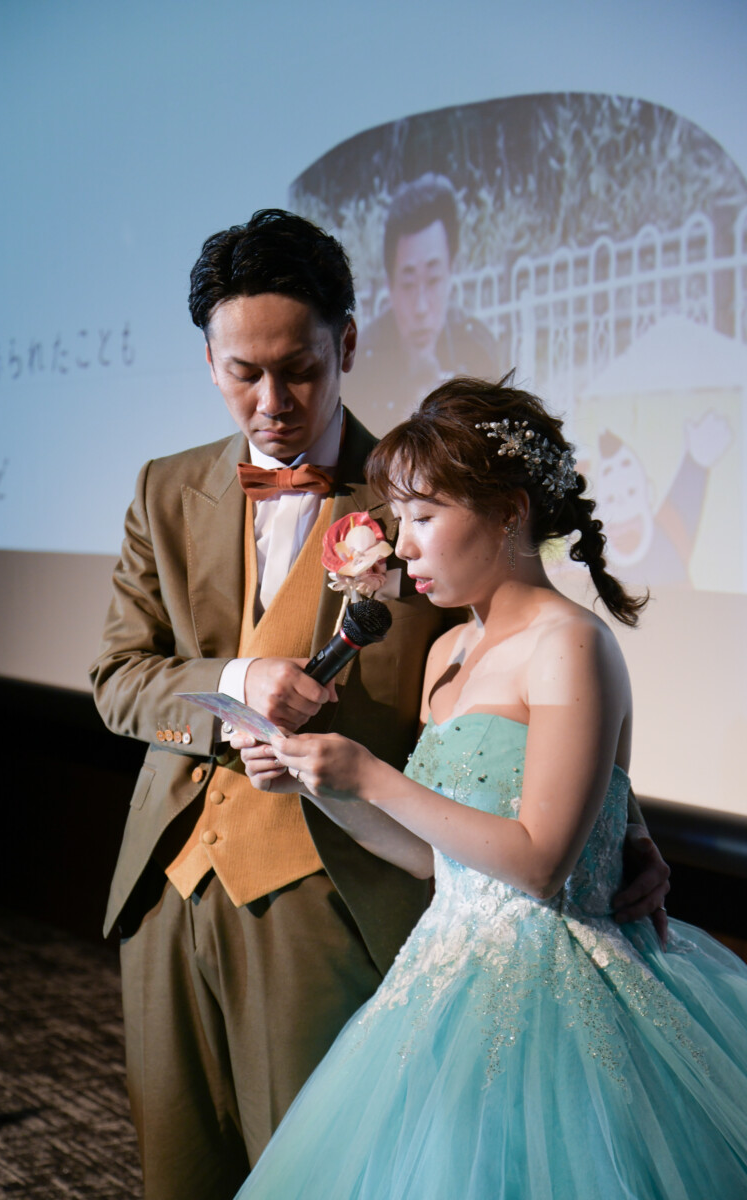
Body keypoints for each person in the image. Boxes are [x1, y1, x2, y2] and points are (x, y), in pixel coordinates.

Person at [90, 212, 668, 1200]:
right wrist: (238, 681)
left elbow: (529, 690)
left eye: (298, 369)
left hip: (337, 899)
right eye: (242, 373)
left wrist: (625, 831)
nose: (271, 402)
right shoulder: (164, 488)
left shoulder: (426, 492)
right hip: (168, 884)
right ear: (208, 362)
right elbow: (116, 676)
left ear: (348, 343)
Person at [233, 376, 747, 1199]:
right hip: (441, 981)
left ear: (509, 512)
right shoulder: (447, 654)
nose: (401, 547)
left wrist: (371, 773)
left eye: (423, 517)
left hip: (562, 994)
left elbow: (541, 863)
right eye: (399, 520)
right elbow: (433, 859)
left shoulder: (570, 645)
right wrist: (317, 783)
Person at [344, 173, 500, 428]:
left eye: (433, 280)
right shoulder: (359, 362)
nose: (421, 308)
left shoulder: (479, 345)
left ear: (451, 271)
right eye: (408, 284)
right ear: (389, 284)